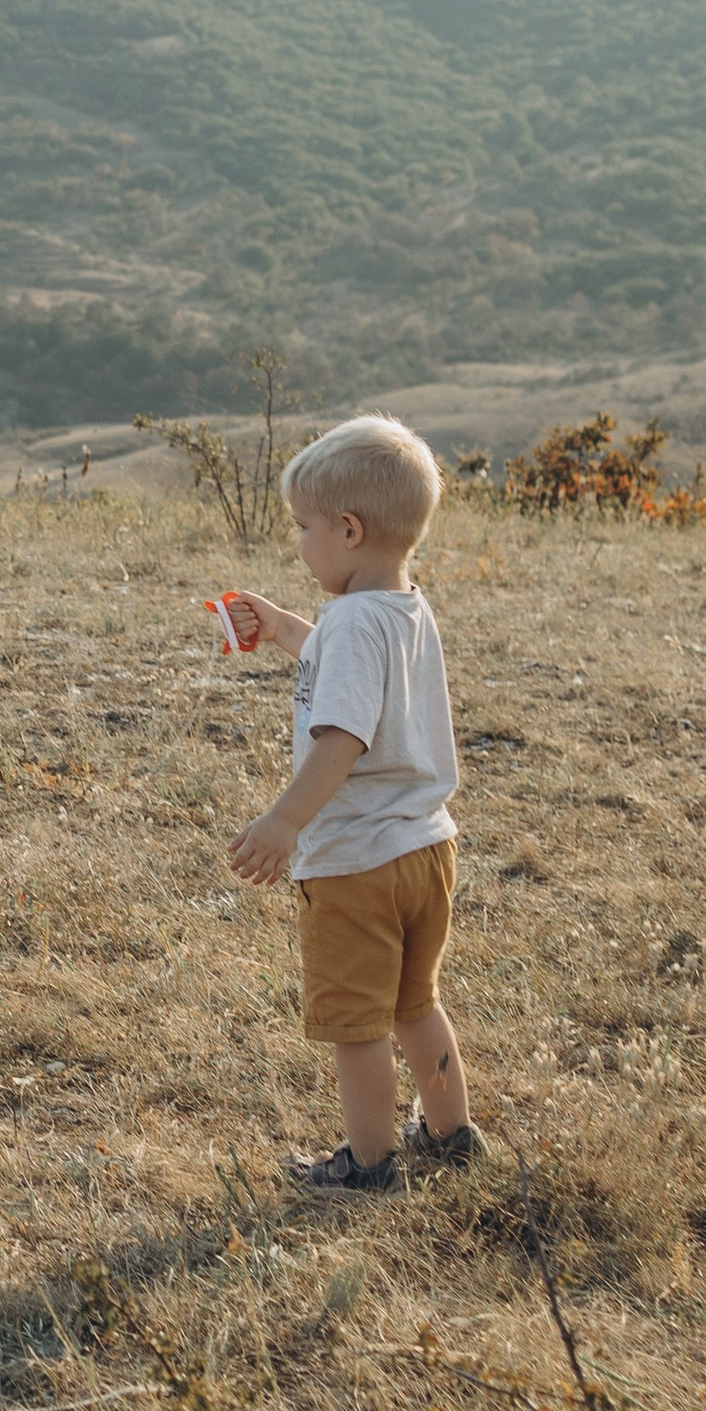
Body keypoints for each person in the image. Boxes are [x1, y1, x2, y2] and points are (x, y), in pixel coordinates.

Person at [221, 414, 484, 1192]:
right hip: (426, 850)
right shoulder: (403, 608)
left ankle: (368, 1166)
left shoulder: (351, 622)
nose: (299, 543)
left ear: (348, 529)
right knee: (415, 1004)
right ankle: (452, 1135)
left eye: (303, 528)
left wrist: (284, 821)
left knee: (357, 1025)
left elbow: (342, 736)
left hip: (356, 863)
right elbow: (351, 665)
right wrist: (281, 628)